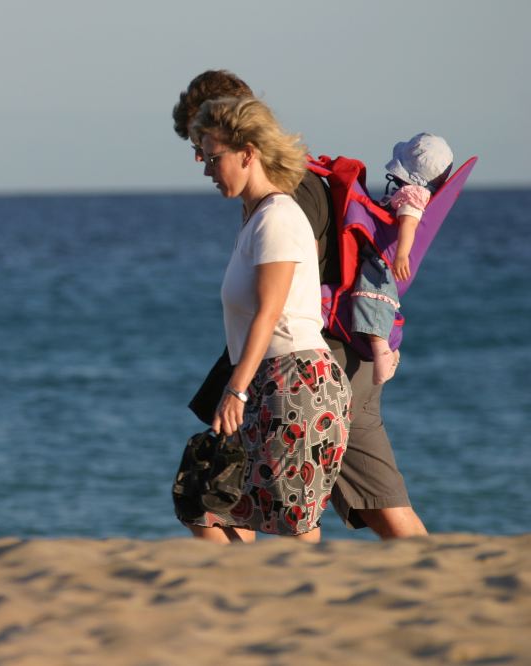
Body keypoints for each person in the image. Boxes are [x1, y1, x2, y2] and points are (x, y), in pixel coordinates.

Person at [173, 70, 429, 539]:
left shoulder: (286, 200)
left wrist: (236, 386)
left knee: (350, 507)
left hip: (314, 364)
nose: (199, 160)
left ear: (244, 143)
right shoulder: (260, 206)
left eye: (206, 147)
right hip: (287, 368)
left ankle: (438, 589)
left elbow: (281, 302)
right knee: (223, 500)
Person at [182, 96, 351, 543]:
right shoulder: (255, 218)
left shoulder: (278, 217)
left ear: (248, 153)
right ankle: (248, 604)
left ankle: (302, 607)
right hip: (268, 381)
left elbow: (269, 311)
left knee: (291, 523)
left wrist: (234, 388)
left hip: (296, 380)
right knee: (207, 503)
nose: (207, 171)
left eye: (214, 158)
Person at [351, 132, 454, 385]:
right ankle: (389, 350)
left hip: (383, 259)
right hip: (384, 254)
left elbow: (407, 223)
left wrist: (400, 255)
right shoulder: (416, 193)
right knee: (379, 299)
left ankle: (380, 348)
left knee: (370, 292)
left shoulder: (413, 196)